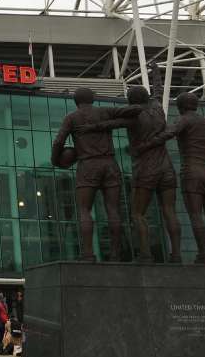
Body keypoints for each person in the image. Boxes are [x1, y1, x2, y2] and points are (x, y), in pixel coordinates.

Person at [78, 64, 182, 262]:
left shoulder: (134, 116)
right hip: (167, 168)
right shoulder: (158, 108)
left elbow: (111, 124)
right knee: (169, 210)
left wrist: (91, 127)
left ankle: (145, 255)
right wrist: (156, 73)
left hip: (146, 169)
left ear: (131, 101)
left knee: (138, 213)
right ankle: (176, 255)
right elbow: (158, 91)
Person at [135, 92, 205, 264]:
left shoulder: (183, 120)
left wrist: (147, 144)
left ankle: (203, 255)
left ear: (180, 107)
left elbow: (169, 134)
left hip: (191, 174)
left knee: (196, 216)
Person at [51, 88, 142, 261]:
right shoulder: (105, 111)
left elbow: (58, 141)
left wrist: (55, 161)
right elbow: (136, 110)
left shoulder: (72, 117)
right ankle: (116, 254)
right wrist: (109, 123)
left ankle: (88, 254)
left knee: (84, 209)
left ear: (76, 102)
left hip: (88, 165)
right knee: (113, 210)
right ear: (93, 99)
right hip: (109, 164)